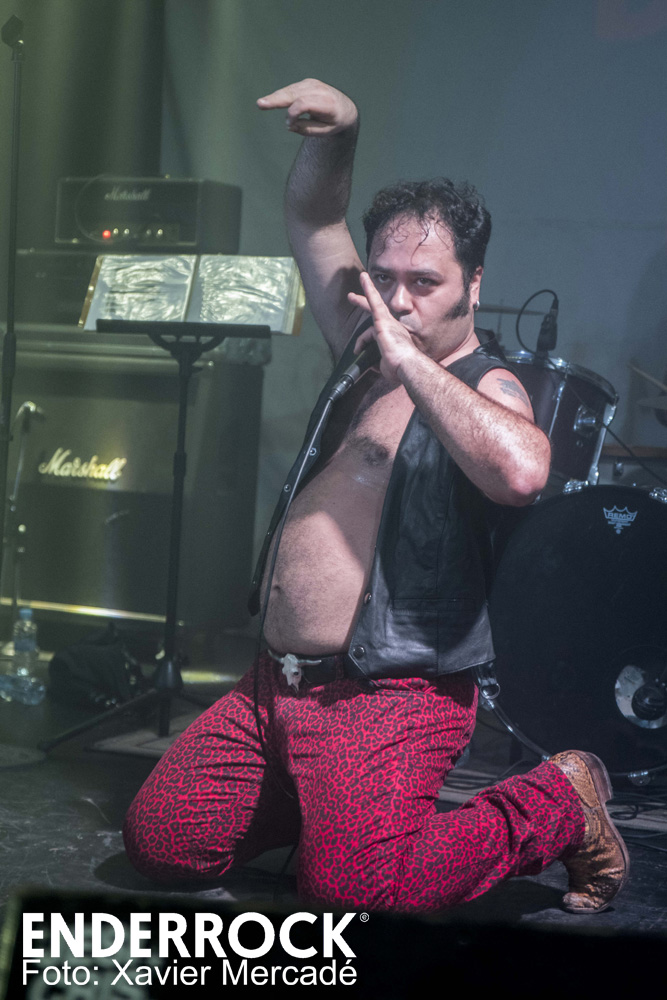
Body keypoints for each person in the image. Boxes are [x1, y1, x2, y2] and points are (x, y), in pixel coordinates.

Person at [124, 79, 628, 914]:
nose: (397, 301)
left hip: (389, 698)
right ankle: (327, 811)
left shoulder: (483, 382)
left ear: (473, 283)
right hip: (275, 686)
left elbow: (521, 470)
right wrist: (340, 133)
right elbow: (313, 220)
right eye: (384, 278)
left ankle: (556, 802)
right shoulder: (366, 347)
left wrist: (412, 366)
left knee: (355, 891)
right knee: (165, 841)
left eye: (424, 282)